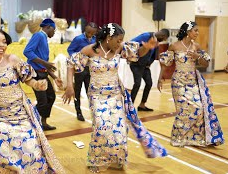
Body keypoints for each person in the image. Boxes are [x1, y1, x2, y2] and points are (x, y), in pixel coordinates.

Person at [63, 23, 167, 173]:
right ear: (108, 38)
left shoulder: (120, 48)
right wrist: (69, 86)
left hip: (115, 94)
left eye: (121, 40)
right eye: (118, 40)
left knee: (119, 129)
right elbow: (71, 63)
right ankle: (96, 159)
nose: (120, 43)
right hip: (97, 95)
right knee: (101, 127)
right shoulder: (91, 50)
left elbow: (137, 54)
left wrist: (147, 48)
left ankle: (117, 158)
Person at [0, 28, 65, 173]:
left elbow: (28, 80)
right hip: (0, 118)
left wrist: (37, 85)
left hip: (21, 114)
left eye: (4, 42)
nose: (1, 45)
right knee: (2, 155)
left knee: (31, 151)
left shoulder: (12, 60)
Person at [158, 21, 225, 147]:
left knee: (199, 108)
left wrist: (197, 56)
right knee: (183, 111)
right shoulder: (175, 46)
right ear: (188, 32)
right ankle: (178, 137)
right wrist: (160, 78)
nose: (197, 33)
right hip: (178, 83)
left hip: (193, 82)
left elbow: (206, 63)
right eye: (195, 30)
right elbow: (165, 62)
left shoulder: (196, 46)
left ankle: (194, 137)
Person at [24, 18, 63, 131]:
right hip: (36, 75)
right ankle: (31, 120)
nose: (54, 32)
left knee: (51, 97)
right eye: (54, 30)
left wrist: (55, 77)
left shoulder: (44, 38)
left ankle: (43, 122)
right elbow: (27, 51)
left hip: (43, 74)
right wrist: (44, 62)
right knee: (42, 101)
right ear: (48, 27)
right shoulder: (39, 36)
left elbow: (45, 65)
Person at [130, 29, 170, 112]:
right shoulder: (146, 35)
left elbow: (155, 56)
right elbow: (131, 43)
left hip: (145, 66)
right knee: (137, 84)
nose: (163, 40)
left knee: (149, 83)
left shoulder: (156, 43)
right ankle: (129, 106)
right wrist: (142, 48)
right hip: (136, 64)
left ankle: (142, 105)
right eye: (164, 39)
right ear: (163, 36)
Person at [67, 22, 98, 121]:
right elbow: (70, 50)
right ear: (85, 30)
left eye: (92, 33)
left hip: (90, 69)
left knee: (90, 91)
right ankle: (78, 112)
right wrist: (78, 59)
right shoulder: (78, 39)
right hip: (79, 69)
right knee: (77, 90)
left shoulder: (95, 39)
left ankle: (94, 111)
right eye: (89, 32)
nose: (90, 35)